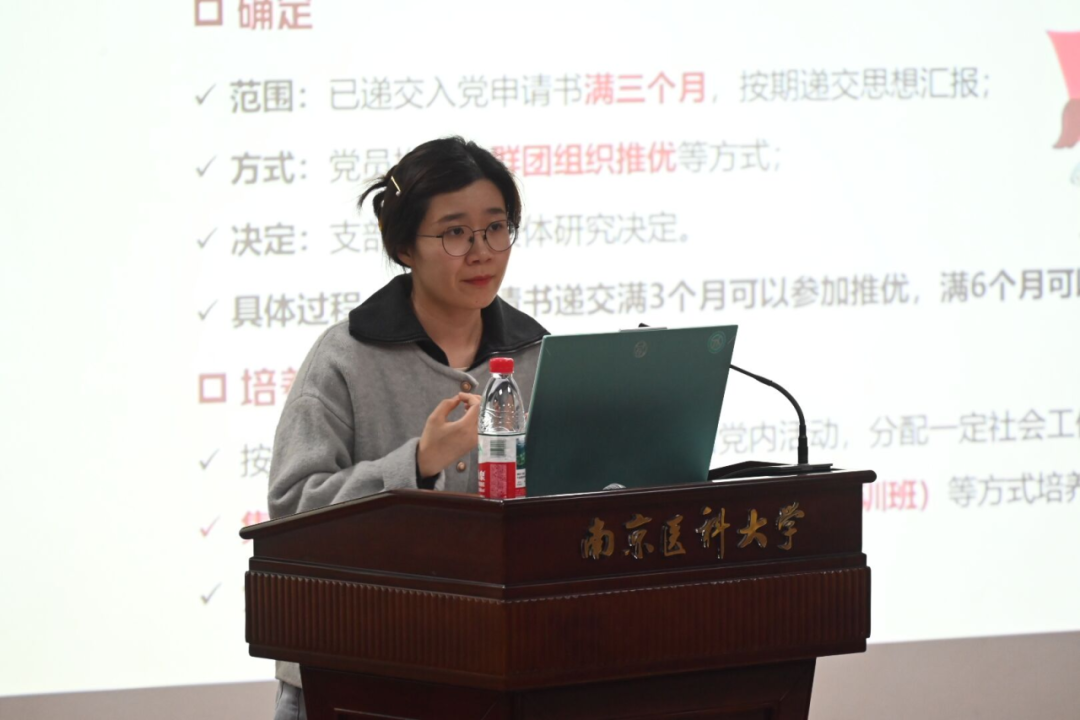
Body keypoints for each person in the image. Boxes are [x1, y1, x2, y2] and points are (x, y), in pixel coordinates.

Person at [267, 137, 548, 720]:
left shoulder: (537, 356)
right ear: (403, 248)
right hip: (356, 679)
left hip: (497, 671)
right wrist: (417, 464)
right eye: (455, 233)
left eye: (496, 228)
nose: (482, 252)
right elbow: (292, 510)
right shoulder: (345, 356)